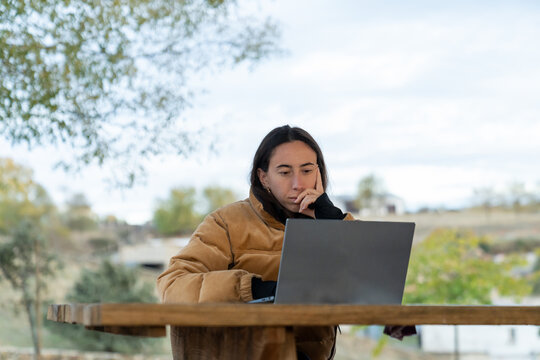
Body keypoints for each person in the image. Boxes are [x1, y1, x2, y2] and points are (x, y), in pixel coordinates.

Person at [157, 125, 414, 360]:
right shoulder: (226, 222)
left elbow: (379, 283)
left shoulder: (330, 222)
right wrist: (255, 290)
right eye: (284, 172)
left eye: (307, 170)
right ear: (263, 177)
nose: (297, 184)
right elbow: (172, 286)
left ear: (319, 173)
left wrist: (331, 218)